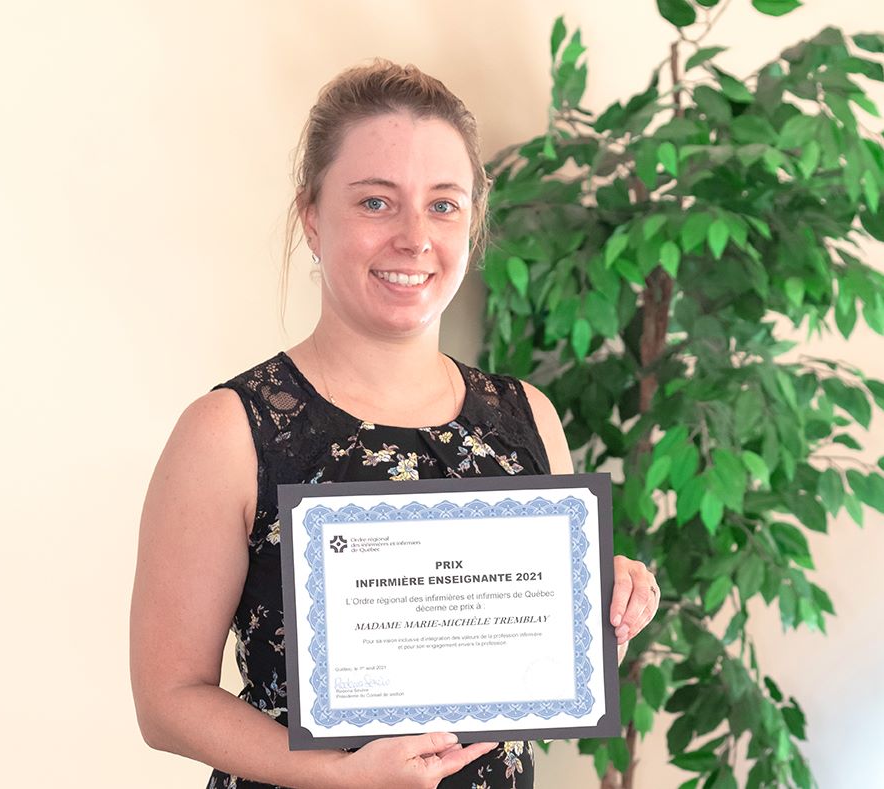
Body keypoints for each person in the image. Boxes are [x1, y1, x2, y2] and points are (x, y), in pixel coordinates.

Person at [130, 59, 660, 789]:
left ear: (474, 221)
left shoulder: (525, 417)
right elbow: (167, 700)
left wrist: (608, 600)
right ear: (313, 216)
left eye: (443, 204)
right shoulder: (229, 431)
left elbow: (544, 668)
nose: (414, 236)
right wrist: (341, 774)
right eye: (376, 203)